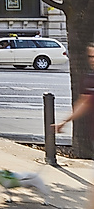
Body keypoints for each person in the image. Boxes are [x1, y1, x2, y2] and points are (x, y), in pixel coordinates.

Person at [56, 45, 94, 209]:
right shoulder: (89, 79)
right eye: (91, 57)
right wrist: (64, 121)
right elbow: (84, 102)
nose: (92, 60)